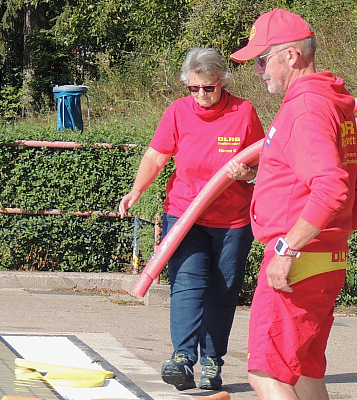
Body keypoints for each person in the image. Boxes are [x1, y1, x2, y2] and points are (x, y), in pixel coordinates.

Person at [230, 9, 357, 400]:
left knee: (267, 373)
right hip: (322, 257)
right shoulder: (328, 104)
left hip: (296, 257)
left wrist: (288, 246)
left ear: (291, 56)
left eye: (263, 60)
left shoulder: (306, 108)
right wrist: (331, 235)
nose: (259, 70)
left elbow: (332, 188)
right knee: (305, 372)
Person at [118, 47, 264, 391]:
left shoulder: (244, 112)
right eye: (193, 88)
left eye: (208, 88)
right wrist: (137, 190)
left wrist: (247, 174)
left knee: (223, 290)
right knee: (187, 286)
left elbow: (264, 161)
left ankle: (212, 363)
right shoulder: (178, 112)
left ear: (222, 83)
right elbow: (156, 155)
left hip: (232, 221)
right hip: (184, 214)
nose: (200, 95)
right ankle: (182, 359)